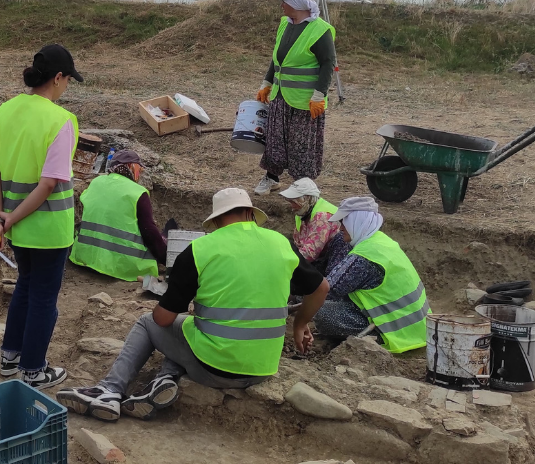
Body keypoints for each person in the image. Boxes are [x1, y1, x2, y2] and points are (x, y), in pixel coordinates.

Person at [57, 188, 329, 422]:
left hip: (215, 369)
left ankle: (109, 390)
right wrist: (300, 324)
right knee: (188, 330)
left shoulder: (201, 249)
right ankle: (163, 380)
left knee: (150, 323)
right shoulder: (281, 243)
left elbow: (162, 319)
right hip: (263, 368)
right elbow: (321, 288)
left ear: (217, 220)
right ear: (250, 214)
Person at [0, 44, 84, 389]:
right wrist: (9, 220)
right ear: (57, 78)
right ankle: (33, 370)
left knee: (25, 288)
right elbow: (47, 185)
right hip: (48, 230)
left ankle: (10, 358)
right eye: (68, 80)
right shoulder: (61, 120)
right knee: (44, 297)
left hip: (16, 228)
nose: (67, 87)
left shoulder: (5, 111)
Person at [313, 197, 428, 354]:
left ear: (356, 221)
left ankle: (374, 338)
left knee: (322, 312)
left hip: (395, 333)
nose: (340, 228)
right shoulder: (380, 241)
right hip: (418, 327)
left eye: (344, 222)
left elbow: (327, 290)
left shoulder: (364, 256)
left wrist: (294, 304)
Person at [254, 0, 337, 196]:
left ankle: (303, 188)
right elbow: (277, 59)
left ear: (298, 3)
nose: (282, 5)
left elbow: (328, 63)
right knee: (274, 140)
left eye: (285, 1)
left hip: (305, 100)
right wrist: (267, 83)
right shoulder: (285, 24)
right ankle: (271, 178)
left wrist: (319, 95)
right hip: (280, 96)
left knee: (302, 146)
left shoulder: (320, 30)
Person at [70, 149, 168, 282]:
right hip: (124, 267)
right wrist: (165, 257)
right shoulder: (137, 192)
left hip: (85, 258)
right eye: (139, 168)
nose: (140, 173)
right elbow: (149, 232)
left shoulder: (96, 182)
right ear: (132, 167)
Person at [279, 177, 345, 272]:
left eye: (294, 202)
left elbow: (310, 253)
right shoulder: (303, 211)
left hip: (330, 262)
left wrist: (283, 263)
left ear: (307, 199)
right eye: (290, 202)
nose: (292, 206)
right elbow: (299, 243)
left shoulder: (322, 217)